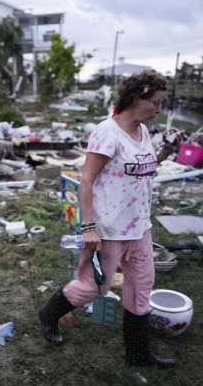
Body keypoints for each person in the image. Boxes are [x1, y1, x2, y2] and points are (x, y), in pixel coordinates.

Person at [38, 71, 184, 368]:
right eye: (155, 103)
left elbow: (144, 167)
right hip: (108, 230)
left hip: (140, 227)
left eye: (161, 104)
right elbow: (87, 180)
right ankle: (48, 315)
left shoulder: (142, 132)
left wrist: (168, 149)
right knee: (91, 288)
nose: (159, 109)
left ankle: (138, 355)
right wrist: (89, 227)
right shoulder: (107, 132)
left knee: (141, 288)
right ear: (135, 98)